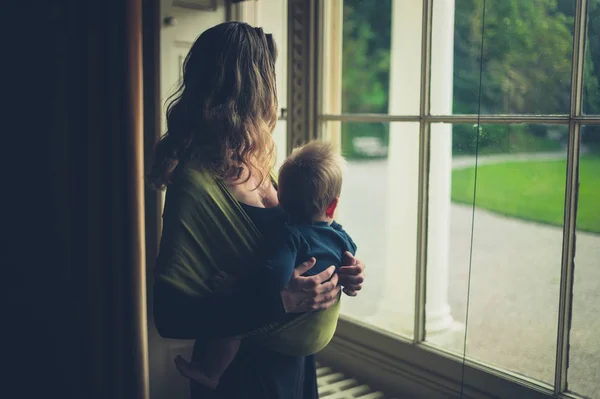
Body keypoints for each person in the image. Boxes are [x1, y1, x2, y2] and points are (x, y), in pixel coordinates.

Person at [149, 22, 366, 399]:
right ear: (251, 90)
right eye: (270, 79)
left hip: (292, 368)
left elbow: (304, 240)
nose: (274, 94)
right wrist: (280, 301)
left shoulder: (262, 165)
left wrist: (345, 268)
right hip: (240, 378)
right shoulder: (195, 185)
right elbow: (170, 316)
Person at [173, 141, 358, 390]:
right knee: (237, 324)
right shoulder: (338, 235)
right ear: (333, 205)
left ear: (280, 196)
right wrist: (351, 270)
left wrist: (237, 286)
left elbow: (273, 277)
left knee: (233, 330)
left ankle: (211, 371)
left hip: (293, 354)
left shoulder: (290, 236)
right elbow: (348, 255)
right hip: (277, 357)